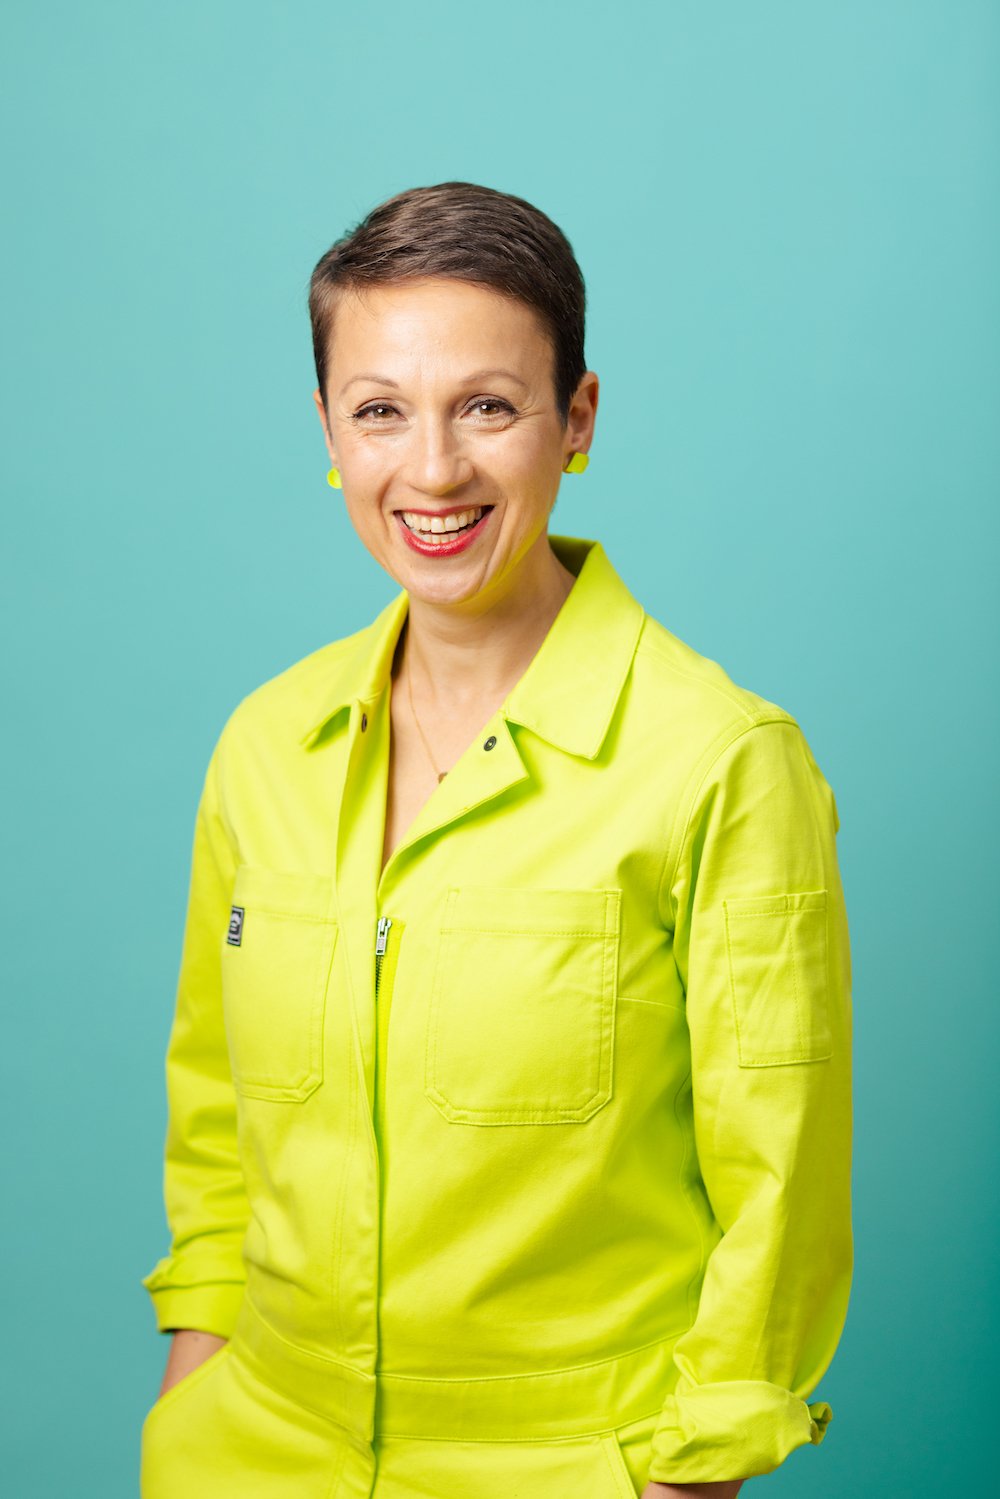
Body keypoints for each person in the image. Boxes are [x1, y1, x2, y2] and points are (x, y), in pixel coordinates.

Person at [139, 181, 853, 1499]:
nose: (432, 472)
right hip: (249, 1454)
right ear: (327, 428)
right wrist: (195, 1385)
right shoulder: (264, 744)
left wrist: (690, 1479)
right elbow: (218, 1122)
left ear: (576, 419)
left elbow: (781, 1195)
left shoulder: (722, 762)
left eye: (487, 406)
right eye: (380, 411)